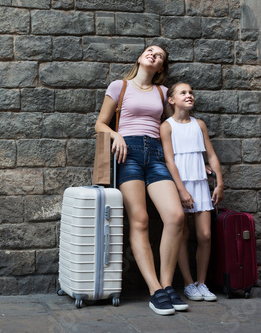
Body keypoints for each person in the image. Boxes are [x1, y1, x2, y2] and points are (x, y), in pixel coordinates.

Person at [95, 45, 187, 316]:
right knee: (140, 220)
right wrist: (116, 135)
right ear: (140, 57)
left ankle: (168, 286)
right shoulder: (119, 86)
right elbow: (100, 124)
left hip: (157, 154)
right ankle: (155, 290)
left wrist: (198, 161)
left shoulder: (162, 93)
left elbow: (174, 128)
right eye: (150, 51)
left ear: (161, 68)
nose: (153, 55)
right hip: (128, 153)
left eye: (159, 56)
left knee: (175, 217)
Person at [160, 82, 224, 302]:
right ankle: (188, 283)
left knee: (205, 235)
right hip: (180, 184)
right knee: (182, 234)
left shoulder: (200, 124)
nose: (189, 95)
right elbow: (169, 160)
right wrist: (181, 190)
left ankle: (201, 282)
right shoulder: (167, 126)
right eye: (183, 93)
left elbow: (211, 155)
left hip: (199, 182)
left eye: (191, 92)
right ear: (171, 100)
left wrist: (219, 182)